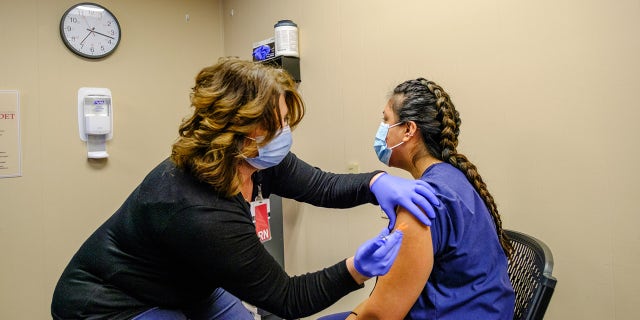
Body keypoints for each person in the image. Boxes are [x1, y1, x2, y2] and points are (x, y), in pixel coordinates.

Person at [51, 59, 440, 320]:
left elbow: (321, 185)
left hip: (188, 286)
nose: (287, 134)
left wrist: (377, 182)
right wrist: (356, 269)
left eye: (287, 121)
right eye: (279, 124)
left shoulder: (256, 158)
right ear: (239, 131)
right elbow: (286, 298)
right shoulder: (196, 208)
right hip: (112, 302)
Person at [322, 77, 516, 319]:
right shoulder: (454, 178)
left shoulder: (421, 202)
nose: (381, 129)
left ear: (408, 130)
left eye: (386, 120)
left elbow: (380, 316)